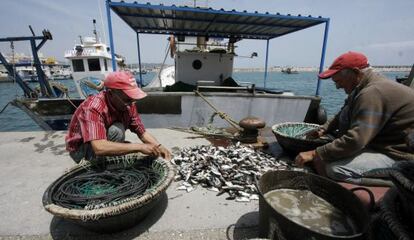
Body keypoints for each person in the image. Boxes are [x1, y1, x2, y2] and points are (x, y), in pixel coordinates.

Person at [295, 51, 414, 184]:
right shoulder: (362, 87)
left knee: (335, 169)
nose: (338, 86)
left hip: (397, 154)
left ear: (356, 73)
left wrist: (314, 153)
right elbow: (342, 112)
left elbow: (356, 140)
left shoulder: (372, 93)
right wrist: (324, 129)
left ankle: (400, 182)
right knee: (328, 154)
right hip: (377, 143)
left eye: (339, 81)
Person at [65, 71, 171, 163]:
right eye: (127, 99)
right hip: (81, 148)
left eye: (132, 99)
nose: (131, 103)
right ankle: (97, 163)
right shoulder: (93, 106)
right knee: (117, 131)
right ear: (111, 93)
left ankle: (110, 155)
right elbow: (99, 147)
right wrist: (139, 147)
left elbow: (142, 132)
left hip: (102, 139)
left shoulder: (129, 104)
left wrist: (159, 146)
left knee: (124, 141)